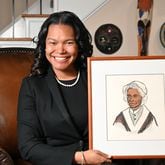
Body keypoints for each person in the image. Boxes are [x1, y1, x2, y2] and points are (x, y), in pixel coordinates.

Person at [17, 11, 112, 165]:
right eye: (53, 43)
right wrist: (80, 158)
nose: (60, 50)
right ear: (44, 45)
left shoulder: (99, 78)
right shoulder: (32, 86)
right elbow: (28, 146)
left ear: (79, 45)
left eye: (69, 42)